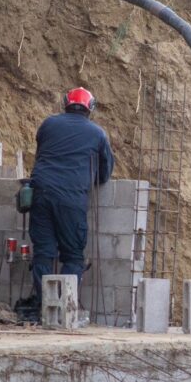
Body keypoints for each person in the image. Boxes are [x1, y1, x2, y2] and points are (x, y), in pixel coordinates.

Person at [27, 87, 114, 316]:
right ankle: (66, 310)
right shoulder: (97, 133)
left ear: (65, 104)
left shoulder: (48, 124)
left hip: (41, 193)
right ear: (90, 108)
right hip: (71, 198)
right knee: (73, 256)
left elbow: (41, 153)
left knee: (44, 253)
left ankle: (43, 307)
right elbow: (104, 173)